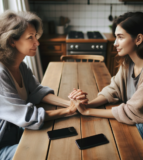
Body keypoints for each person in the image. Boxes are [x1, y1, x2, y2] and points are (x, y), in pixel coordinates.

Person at [69, 12, 143, 160]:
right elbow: (113, 90)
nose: (115, 43)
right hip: (135, 124)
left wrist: (88, 112)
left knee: (114, 154)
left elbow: (132, 110)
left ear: (138, 39)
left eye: (120, 37)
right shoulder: (128, 63)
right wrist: (86, 104)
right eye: (116, 36)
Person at [0, 10, 87, 160]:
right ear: (11, 41)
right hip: (4, 144)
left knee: (65, 143)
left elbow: (37, 91)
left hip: (19, 131)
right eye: (30, 38)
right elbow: (27, 116)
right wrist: (68, 111)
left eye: (35, 36)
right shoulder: (1, 73)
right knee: (50, 153)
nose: (37, 43)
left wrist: (70, 103)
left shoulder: (20, 66)